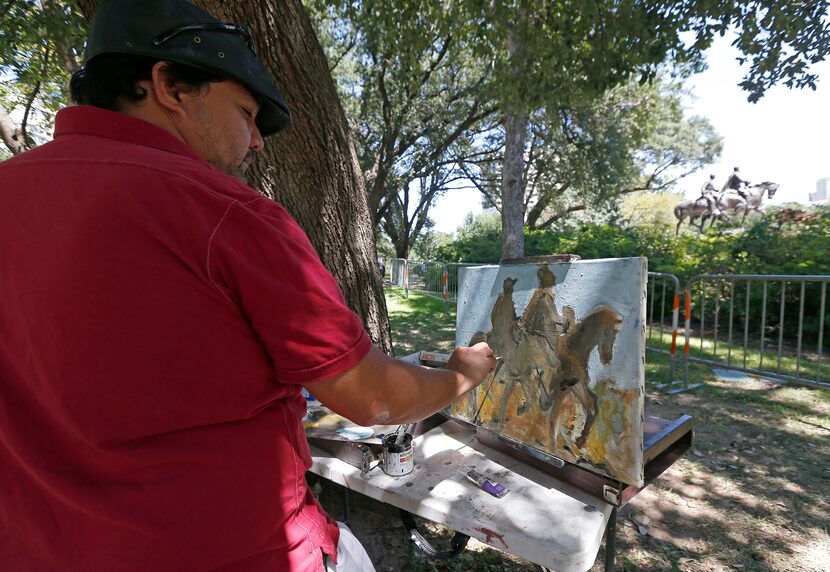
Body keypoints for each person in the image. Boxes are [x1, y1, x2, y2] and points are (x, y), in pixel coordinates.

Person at [0, 1, 494, 571]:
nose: (257, 140)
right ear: (170, 86)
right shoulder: (223, 212)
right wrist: (463, 374)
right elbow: (374, 398)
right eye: (246, 112)